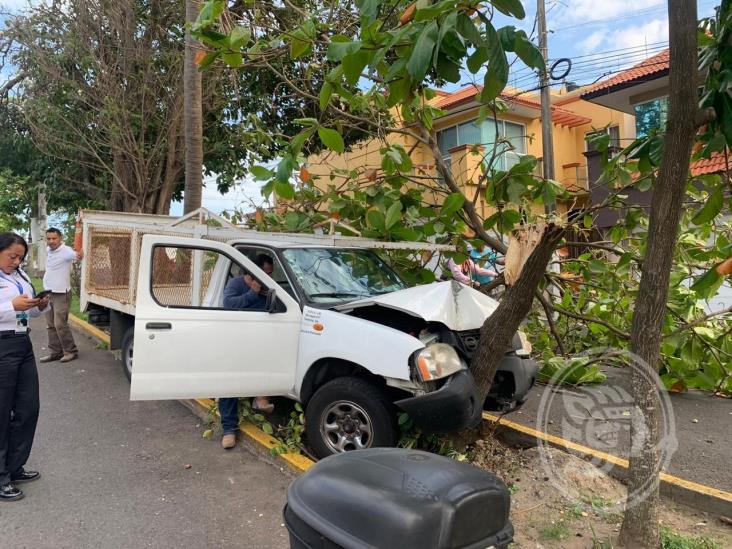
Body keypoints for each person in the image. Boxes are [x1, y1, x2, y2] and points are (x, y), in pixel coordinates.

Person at [0, 232, 50, 501]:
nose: (16, 262)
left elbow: (28, 311)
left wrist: (40, 305)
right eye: (12, 256)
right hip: (1, 345)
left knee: (28, 408)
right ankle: (1, 477)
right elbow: (11, 307)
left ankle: (14, 466)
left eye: (20, 257)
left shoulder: (22, 276)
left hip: (22, 343)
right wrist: (11, 305)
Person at [218, 254, 275, 450]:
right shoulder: (236, 284)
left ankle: (260, 399)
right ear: (253, 273)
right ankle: (228, 430)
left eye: (270, 274)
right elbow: (229, 304)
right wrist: (252, 293)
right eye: (265, 274)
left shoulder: (268, 288)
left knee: (266, 366)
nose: (269, 278)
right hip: (235, 340)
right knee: (230, 386)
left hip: (258, 340)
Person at [39, 227, 83, 363]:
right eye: (49, 238)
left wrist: (80, 251)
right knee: (50, 324)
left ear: (60, 238)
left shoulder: (66, 251)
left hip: (61, 294)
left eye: (54, 238)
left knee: (60, 324)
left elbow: (78, 255)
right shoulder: (49, 250)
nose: (51, 241)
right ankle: (56, 352)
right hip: (48, 293)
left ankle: (71, 351)